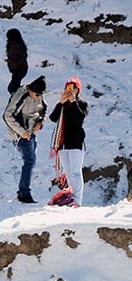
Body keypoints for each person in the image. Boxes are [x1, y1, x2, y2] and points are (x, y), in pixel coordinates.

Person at [3, 75, 47, 203]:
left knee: (30, 161)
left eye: (41, 94)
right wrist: (22, 132)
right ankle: (24, 193)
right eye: (36, 94)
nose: (38, 96)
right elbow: (7, 116)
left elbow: (43, 110)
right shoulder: (20, 95)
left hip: (31, 132)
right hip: (19, 134)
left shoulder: (39, 96)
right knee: (30, 160)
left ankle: (23, 191)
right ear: (30, 90)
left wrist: (41, 122)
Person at [48, 76, 88, 205]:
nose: (70, 91)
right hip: (63, 143)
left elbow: (80, 117)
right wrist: (61, 102)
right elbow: (53, 118)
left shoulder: (81, 104)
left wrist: (73, 101)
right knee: (69, 173)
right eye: (68, 88)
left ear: (78, 90)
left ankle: (78, 200)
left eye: (73, 88)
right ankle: (71, 197)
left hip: (76, 142)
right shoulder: (63, 105)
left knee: (76, 172)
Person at [5, 29, 28, 94]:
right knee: (14, 87)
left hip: (19, 69)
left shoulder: (14, 45)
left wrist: (11, 60)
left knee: (12, 88)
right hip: (19, 69)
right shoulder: (19, 44)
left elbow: (17, 57)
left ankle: (20, 99)